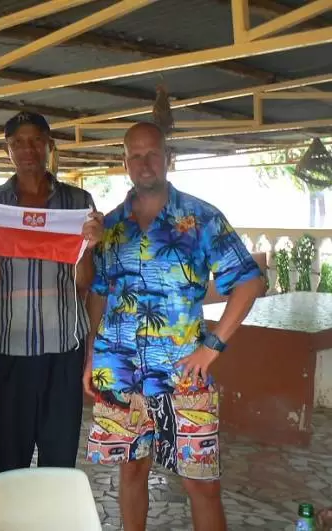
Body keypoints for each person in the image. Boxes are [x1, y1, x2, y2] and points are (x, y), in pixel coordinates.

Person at [84, 122, 264, 531]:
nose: (144, 163)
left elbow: (249, 281)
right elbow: (98, 292)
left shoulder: (201, 218)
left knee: (202, 484)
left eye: (152, 153)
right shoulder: (110, 225)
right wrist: (91, 354)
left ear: (168, 158)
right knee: (131, 471)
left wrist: (212, 346)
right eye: (135, 155)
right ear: (124, 163)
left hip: (183, 376)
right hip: (121, 373)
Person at [0, 111, 103, 473]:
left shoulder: (78, 203)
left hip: (64, 350)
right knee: (8, 463)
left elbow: (83, 283)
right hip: (8, 350)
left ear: (49, 146)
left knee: (59, 463)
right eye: (18, 143)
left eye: (36, 141)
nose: (27, 149)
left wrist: (89, 247)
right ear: (7, 150)